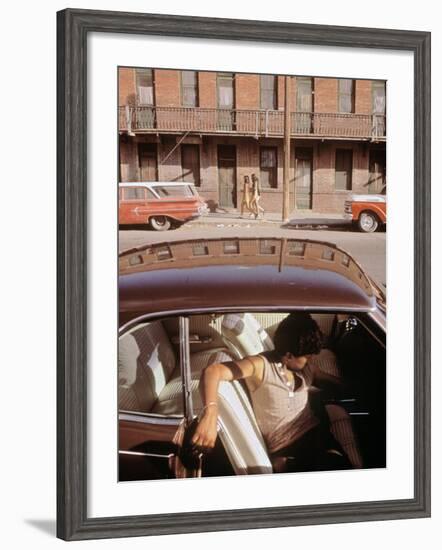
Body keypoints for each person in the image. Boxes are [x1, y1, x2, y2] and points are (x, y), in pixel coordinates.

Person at [191, 312, 351, 473]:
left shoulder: (305, 368)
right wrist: (210, 414)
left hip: (317, 434)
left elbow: (329, 381)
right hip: (288, 448)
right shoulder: (261, 366)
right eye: (307, 357)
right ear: (289, 355)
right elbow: (213, 371)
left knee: (341, 466)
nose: (310, 361)